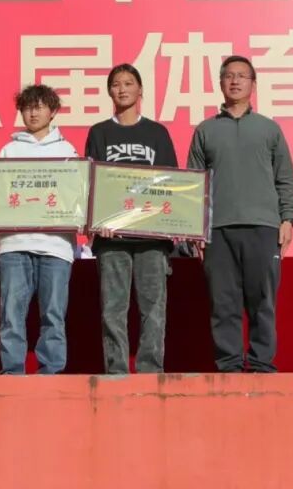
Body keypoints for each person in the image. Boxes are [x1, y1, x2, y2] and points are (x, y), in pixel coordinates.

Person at [188, 55, 293, 373]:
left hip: (263, 227)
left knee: (263, 300)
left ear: (253, 84)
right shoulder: (206, 130)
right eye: (229, 76)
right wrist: (196, 226)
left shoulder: (269, 129)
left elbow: (285, 178)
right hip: (218, 229)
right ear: (220, 83)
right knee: (223, 303)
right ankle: (230, 366)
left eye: (242, 76)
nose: (235, 81)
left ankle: (262, 364)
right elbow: (194, 183)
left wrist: (287, 218)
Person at [85, 64, 178, 374]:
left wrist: (168, 223)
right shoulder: (99, 132)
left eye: (128, 83)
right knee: (113, 309)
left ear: (140, 90)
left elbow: (170, 182)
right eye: (116, 84)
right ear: (109, 92)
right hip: (112, 237)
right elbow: (92, 181)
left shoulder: (157, 133)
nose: (122, 89)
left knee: (154, 308)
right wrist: (99, 220)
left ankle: (151, 371)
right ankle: (116, 371)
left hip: (152, 237)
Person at [0, 84, 77, 375]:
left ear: (53, 111)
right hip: (14, 244)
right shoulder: (9, 150)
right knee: (11, 315)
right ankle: (12, 372)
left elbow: (76, 197)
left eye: (39, 107)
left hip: (56, 246)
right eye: (27, 108)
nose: (33, 113)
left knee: (53, 315)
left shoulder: (68, 151)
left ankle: (52, 372)